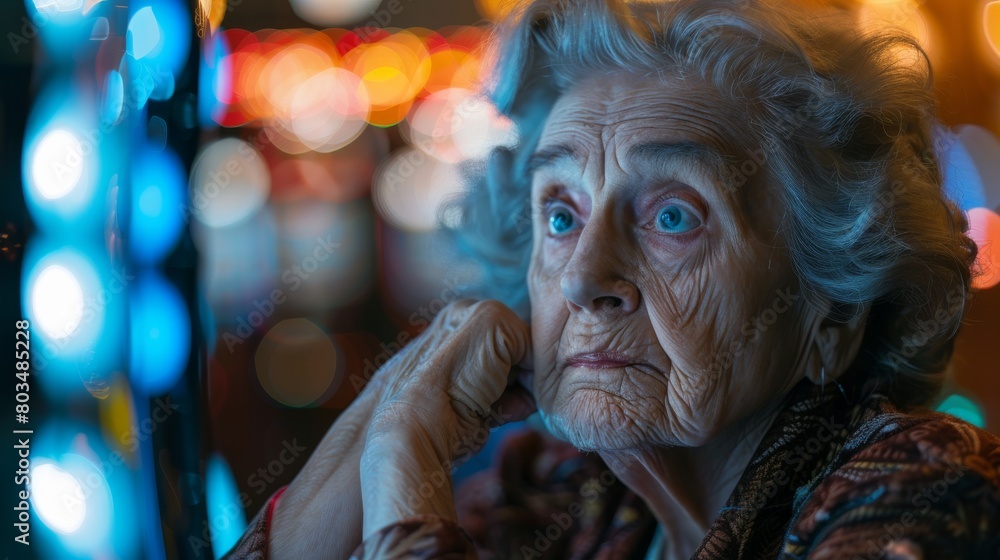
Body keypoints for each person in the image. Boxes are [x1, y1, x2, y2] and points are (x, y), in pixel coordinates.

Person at [226, 0, 1000, 558]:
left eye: (673, 218)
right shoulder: (577, 497)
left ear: (832, 309)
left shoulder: (922, 490)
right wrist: (395, 410)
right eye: (560, 216)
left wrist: (399, 474)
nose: (584, 279)